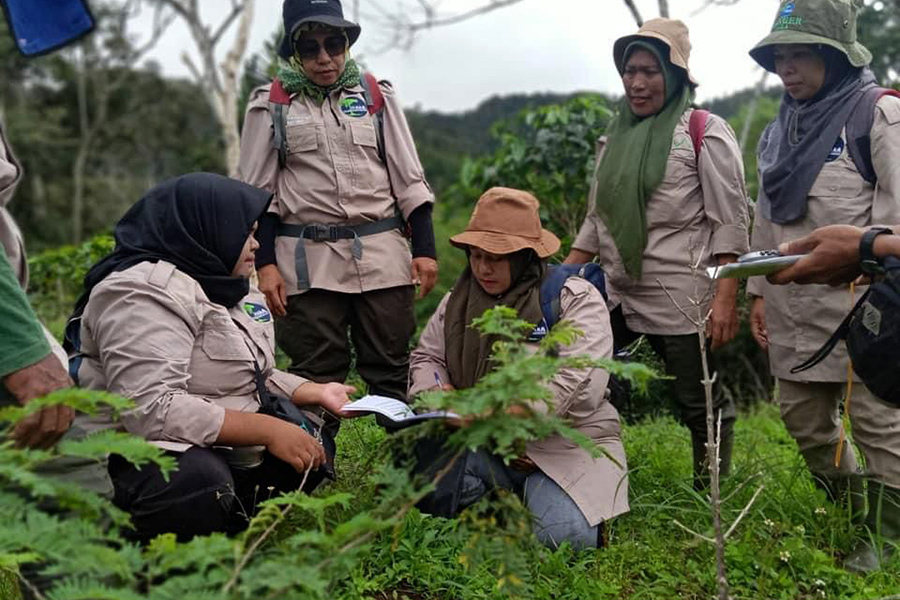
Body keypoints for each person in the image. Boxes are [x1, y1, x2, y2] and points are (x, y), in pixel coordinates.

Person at [70, 173, 356, 542]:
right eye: (245, 234)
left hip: (204, 439)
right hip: (124, 454)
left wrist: (314, 391)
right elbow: (152, 409)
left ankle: (227, 527)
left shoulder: (223, 283)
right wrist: (267, 430)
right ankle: (137, 546)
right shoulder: (139, 294)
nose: (256, 245)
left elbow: (252, 372)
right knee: (197, 480)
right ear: (204, 229)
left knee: (309, 439)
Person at [746, 0, 900, 573]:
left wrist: (874, 263)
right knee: (803, 420)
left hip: (866, 305)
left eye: (801, 55)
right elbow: (766, 215)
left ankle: (885, 539)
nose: (786, 68)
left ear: (835, 57)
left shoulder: (876, 115)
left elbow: (895, 216)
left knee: (880, 424)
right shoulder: (778, 129)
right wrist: (756, 293)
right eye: (779, 57)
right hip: (792, 305)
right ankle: (851, 512)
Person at [565, 18, 750, 487]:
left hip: (680, 294)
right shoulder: (614, 138)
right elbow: (596, 219)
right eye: (630, 71)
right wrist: (559, 284)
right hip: (617, 287)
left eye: (649, 71)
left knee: (698, 400)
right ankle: (580, 474)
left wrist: (726, 299)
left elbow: (730, 222)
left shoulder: (702, 131)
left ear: (674, 75)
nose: (637, 82)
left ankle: (710, 494)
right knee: (577, 373)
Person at [239, 0, 437, 403]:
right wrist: (266, 266)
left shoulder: (374, 95)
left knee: (391, 366)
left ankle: (399, 443)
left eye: (333, 44)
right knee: (315, 369)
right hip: (307, 263)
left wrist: (425, 249)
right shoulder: (272, 104)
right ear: (294, 52)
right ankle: (315, 445)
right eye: (310, 48)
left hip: (381, 256)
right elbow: (259, 194)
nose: (324, 58)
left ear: (346, 44)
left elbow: (409, 177)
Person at [409, 188, 629, 550]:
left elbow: (578, 382)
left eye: (497, 259)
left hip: (562, 447)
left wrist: (490, 414)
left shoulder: (571, 299)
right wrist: (439, 395)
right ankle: (501, 503)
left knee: (565, 538)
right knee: (417, 486)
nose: (483, 268)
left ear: (526, 256)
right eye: (476, 256)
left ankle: (547, 500)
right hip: (482, 441)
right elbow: (427, 359)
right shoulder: (457, 302)